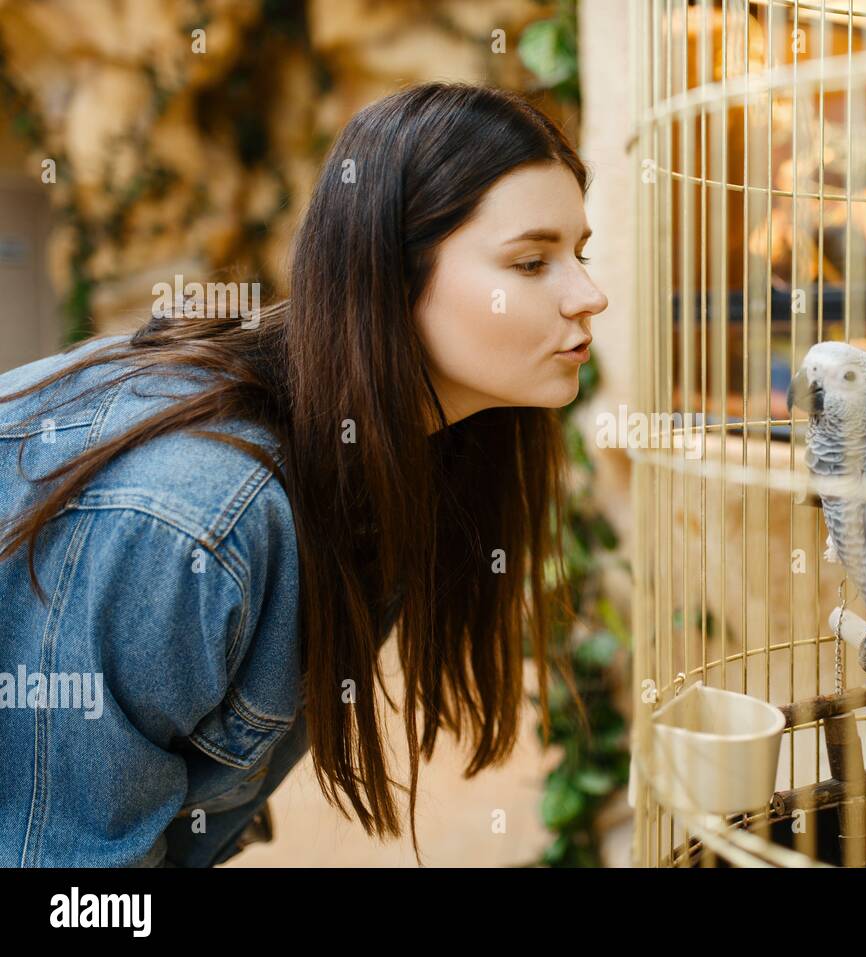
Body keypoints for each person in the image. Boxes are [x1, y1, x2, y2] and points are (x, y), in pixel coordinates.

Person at [0, 81, 608, 867]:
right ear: (389, 276)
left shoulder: (390, 452)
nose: (588, 296)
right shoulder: (194, 515)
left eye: (579, 254)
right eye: (531, 262)